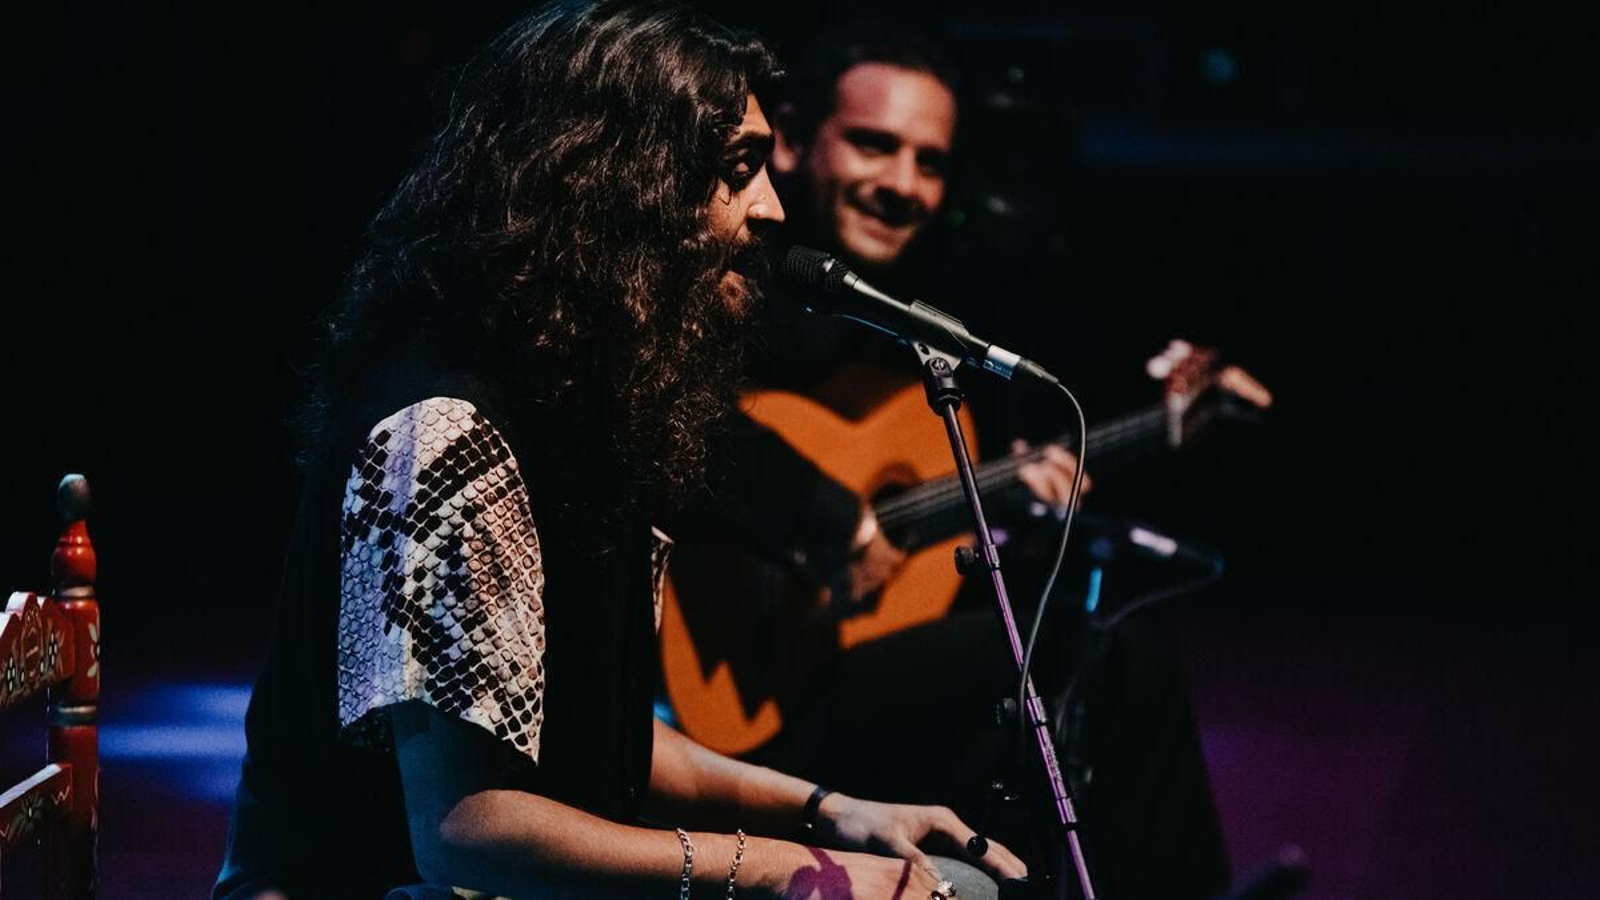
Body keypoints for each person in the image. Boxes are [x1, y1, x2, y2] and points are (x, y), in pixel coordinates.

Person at [214, 4, 1027, 897]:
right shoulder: (446, 430)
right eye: (738, 169)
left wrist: (831, 812)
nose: (772, 209)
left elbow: (593, 733)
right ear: (619, 178)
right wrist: (785, 871)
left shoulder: (587, 398)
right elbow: (467, 829)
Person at [679, 23, 1236, 900]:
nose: (902, 185)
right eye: (873, 144)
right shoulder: (729, 273)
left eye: (929, 162)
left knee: (1060, 710)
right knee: (1114, 664)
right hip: (736, 700)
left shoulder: (933, 298)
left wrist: (1077, 459)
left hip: (854, 667)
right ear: (792, 136)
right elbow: (680, 416)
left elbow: (1015, 442)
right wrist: (827, 514)